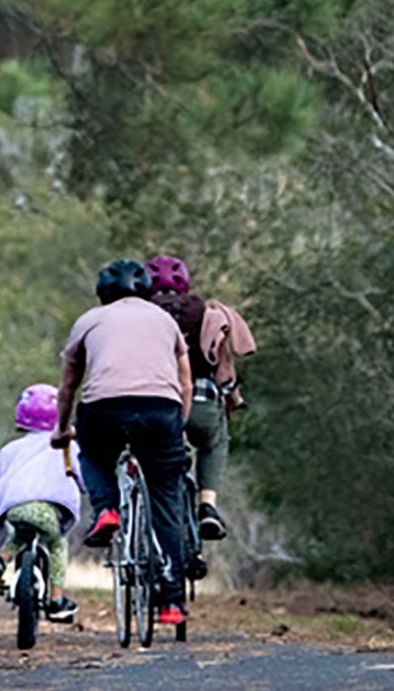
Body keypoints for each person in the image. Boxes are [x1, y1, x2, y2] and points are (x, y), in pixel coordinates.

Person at [52, 259, 193, 626]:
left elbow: (68, 385)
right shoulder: (166, 322)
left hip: (103, 411)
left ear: (103, 293)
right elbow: (186, 382)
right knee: (166, 501)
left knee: (94, 456)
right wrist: (179, 426)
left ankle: (106, 509)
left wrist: (61, 428)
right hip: (161, 412)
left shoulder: (88, 321)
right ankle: (172, 604)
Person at [144, 256, 256, 542]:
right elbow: (224, 371)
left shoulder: (137, 316)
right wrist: (232, 395)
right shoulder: (207, 313)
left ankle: (140, 509)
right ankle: (207, 505)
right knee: (214, 441)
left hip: (154, 403)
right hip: (201, 404)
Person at [0, 383, 81, 623]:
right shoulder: (67, 445)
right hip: (46, 511)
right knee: (56, 544)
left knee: (19, 537)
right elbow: (83, 477)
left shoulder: (10, 449)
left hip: (14, 509)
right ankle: (56, 601)